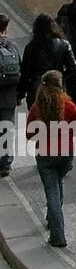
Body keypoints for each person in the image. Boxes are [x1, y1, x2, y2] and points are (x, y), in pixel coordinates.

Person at [26, 70, 76, 248]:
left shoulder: (37, 108)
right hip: (66, 153)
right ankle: (52, 217)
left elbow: (29, 134)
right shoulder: (69, 106)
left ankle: (58, 235)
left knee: (52, 192)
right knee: (57, 186)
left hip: (45, 154)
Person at [20, 13, 76, 110]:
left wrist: (21, 93)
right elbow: (73, 69)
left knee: (37, 120)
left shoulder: (31, 47)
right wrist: (63, 78)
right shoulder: (64, 44)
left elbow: (25, 72)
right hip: (56, 86)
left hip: (36, 88)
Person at [0, 14, 21, 178]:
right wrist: (19, 95)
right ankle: (5, 164)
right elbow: (20, 70)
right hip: (8, 97)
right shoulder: (12, 46)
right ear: (5, 28)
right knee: (6, 129)